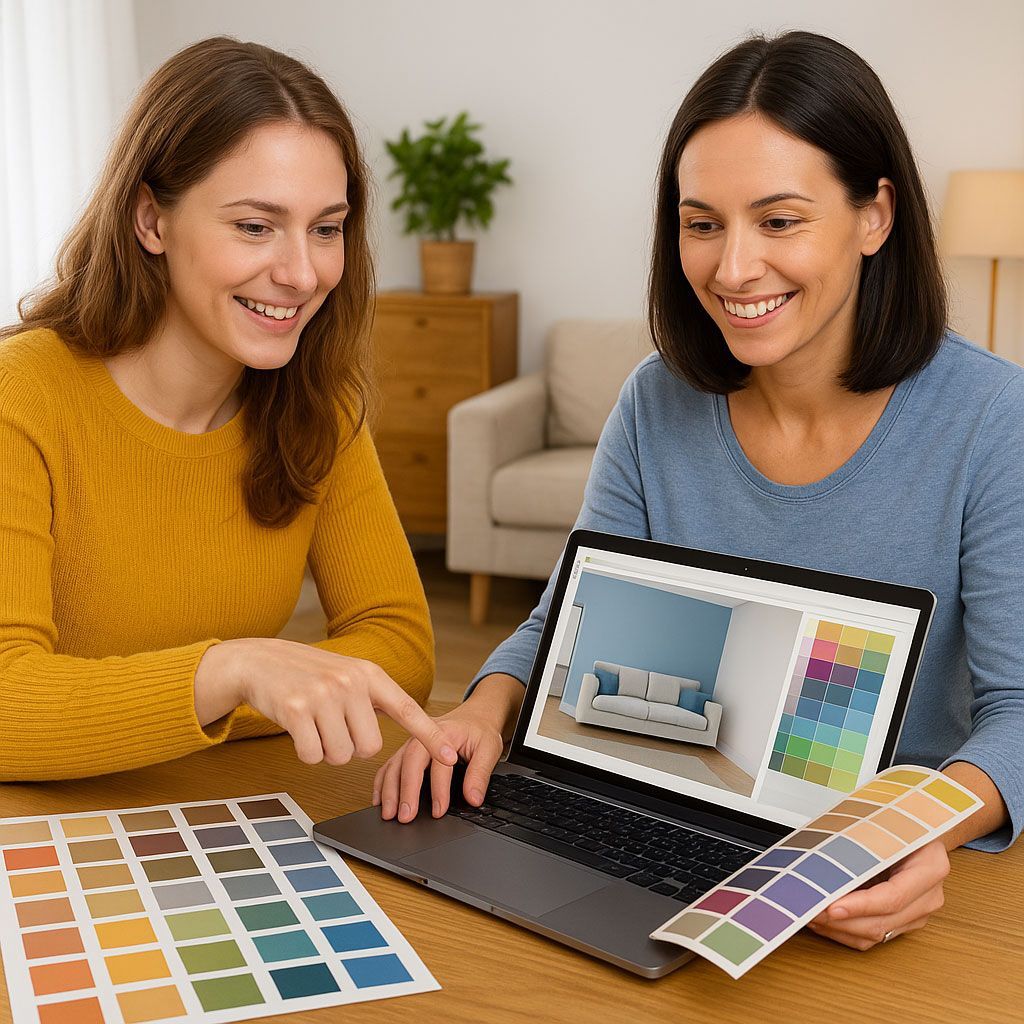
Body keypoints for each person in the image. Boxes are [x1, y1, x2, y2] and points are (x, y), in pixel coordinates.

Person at [375, 30, 1024, 951]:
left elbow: (1019, 710)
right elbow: (567, 620)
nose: (732, 269)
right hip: (659, 825)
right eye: (702, 222)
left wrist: (901, 828)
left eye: (781, 221)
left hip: (874, 880)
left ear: (875, 215)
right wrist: (482, 709)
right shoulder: (656, 400)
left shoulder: (992, 417)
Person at [0, 37, 457, 781]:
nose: (301, 273)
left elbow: (399, 650)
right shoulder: (19, 395)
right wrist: (230, 673)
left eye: (326, 227)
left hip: (200, 813)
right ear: (151, 221)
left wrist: (245, 690)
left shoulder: (320, 406)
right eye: (254, 226)